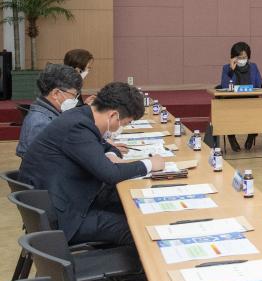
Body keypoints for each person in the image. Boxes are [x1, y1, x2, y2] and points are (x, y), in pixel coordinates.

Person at [18, 82, 165, 246]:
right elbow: (110, 174)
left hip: (66, 198)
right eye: (124, 123)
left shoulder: (81, 117)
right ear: (113, 115)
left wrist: (111, 155)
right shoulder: (78, 127)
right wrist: (149, 164)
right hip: (64, 218)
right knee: (136, 228)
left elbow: (107, 147)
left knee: (131, 206)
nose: (121, 127)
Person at [16, 64, 84, 158]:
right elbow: (46, 161)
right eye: (74, 95)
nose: (75, 100)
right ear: (56, 93)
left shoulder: (47, 112)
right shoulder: (41, 122)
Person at [220, 41, 262, 151]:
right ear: (233, 57)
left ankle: (251, 136)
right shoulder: (226, 68)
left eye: (245, 57)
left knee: (256, 109)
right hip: (233, 102)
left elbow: (259, 83)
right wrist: (231, 70)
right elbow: (224, 87)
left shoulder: (253, 67)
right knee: (228, 112)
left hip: (250, 100)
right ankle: (231, 137)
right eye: (240, 57)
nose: (242, 60)